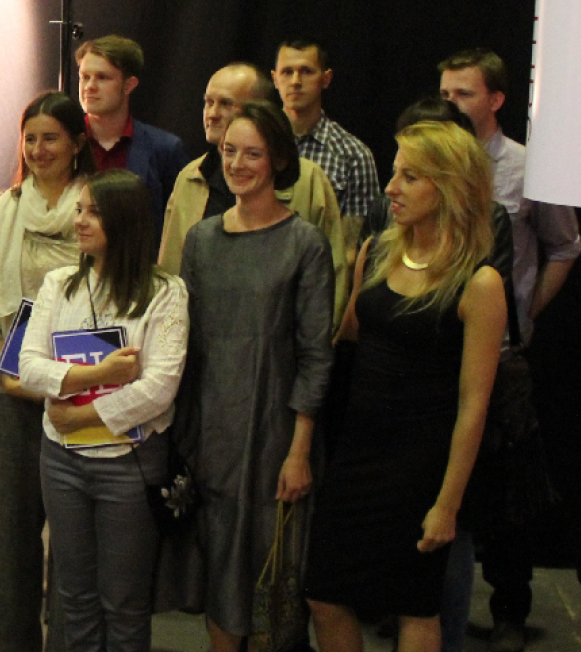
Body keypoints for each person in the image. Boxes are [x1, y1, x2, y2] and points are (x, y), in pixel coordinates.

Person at [305, 121, 506, 652]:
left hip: (420, 468)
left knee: (414, 604)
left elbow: (475, 405)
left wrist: (448, 503)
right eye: (395, 173)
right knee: (324, 594)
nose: (391, 187)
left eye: (410, 177)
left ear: (449, 187)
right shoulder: (379, 252)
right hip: (357, 453)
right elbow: (347, 338)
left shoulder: (480, 282)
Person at [435, 49, 581, 652]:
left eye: (464, 94)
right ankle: (427, 600)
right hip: (436, 350)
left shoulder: (528, 168)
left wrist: (523, 312)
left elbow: (565, 246)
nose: (451, 104)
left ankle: (509, 611)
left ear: (496, 100)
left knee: (503, 493)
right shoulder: (432, 160)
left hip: (500, 353)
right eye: (445, 94)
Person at [172, 100, 334, 652]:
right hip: (213, 436)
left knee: (273, 577)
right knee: (219, 568)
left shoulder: (304, 243)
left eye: (252, 153)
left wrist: (299, 451)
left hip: (276, 439)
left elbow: (315, 356)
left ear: (279, 160)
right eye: (229, 151)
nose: (237, 164)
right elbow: (189, 346)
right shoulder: (201, 240)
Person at [18, 169, 188, 651]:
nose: (79, 221)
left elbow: (158, 389)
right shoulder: (58, 285)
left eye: (93, 212)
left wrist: (77, 414)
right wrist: (99, 374)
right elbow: (28, 368)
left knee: (125, 604)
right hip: (62, 462)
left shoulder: (166, 292)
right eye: (79, 210)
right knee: (75, 600)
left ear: (125, 220)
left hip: (130, 465)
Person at [0, 89, 91, 652]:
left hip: (77, 386)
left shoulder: (95, 205)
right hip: (12, 384)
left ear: (77, 143)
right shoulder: (4, 210)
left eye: (51, 138)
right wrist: (1, 351)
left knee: (72, 531)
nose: (40, 149)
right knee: (14, 530)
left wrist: (74, 375)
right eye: (31, 139)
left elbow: (112, 294)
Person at [161, 62, 356, 328]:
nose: (212, 114)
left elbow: (332, 277)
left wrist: (317, 344)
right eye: (208, 102)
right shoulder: (190, 178)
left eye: (226, 104)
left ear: (260, 111)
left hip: (279, 344)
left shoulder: (308, 181)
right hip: (202, 342)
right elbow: (170, 274)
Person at [273, 39, 383, 238]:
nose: (295, 81)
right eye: (287, 72)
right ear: (275, 79)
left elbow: (353, 243)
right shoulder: (257, 144)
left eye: (306, 71)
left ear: (326, 79)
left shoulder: (354, 155)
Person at [76, 35, 186, 226]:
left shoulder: (165, 149)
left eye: (102, 77)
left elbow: (179, 223)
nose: (89, 87)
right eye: (85, 77)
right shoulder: (66, 143)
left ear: (128, 85)